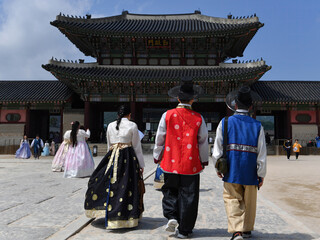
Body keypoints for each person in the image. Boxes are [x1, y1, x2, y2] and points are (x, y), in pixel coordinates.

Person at [153, 77, 209, 239]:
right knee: (189, 195)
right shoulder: (199, 118)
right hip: (190, 163)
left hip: (170, 161)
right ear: (192, 99)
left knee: (170, 190)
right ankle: (185, 230)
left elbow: (160, 138)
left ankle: (172, 217)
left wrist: (157, 156)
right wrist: (203, 159)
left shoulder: (167, 115)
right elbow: (203, 141)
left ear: (178, 98)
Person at [212, 86, 267, 240]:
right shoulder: (257, 126)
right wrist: (261, 174)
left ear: (235, 105)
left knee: (232, 199)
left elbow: (217, 149)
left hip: (231, 168)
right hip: (250, 170)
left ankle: (237, 231)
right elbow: (261, 154)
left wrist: (218, 165)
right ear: (250, 106)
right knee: (250, 201)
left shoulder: (225, 122)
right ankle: (247, 229)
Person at [84, 105, 145, 229]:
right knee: (127, 185)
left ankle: (108, 209)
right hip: (128, 157)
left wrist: (109, 160)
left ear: (118, 114)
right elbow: (137, 147)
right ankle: (126, 214)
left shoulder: (111, 125)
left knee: (109, 183)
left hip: (112, 156)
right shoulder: (132, 125)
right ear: (129, 115)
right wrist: (141, 164)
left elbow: (109, 144)